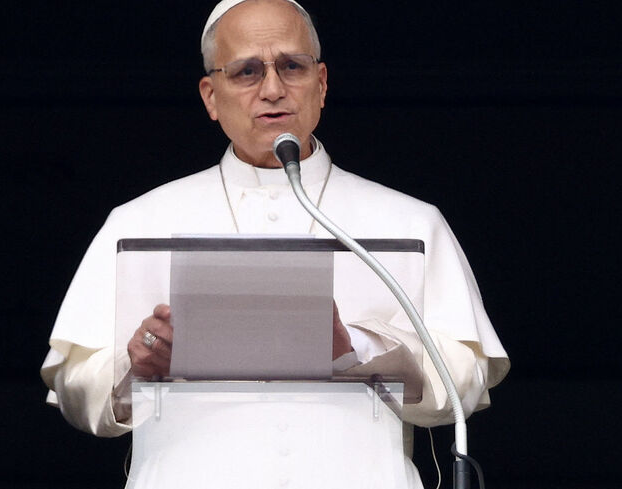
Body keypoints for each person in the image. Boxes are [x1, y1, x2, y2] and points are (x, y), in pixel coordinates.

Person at [40, 0, 509, 486]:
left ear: (322, 84)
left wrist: (356, 350)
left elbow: (467, 383)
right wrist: (135, 366)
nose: (272, 89)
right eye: (245, 71)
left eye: (291, 66)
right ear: (211, 96)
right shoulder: (138, 221)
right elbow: (75, 392)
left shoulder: (410, 220)